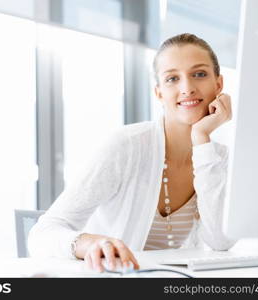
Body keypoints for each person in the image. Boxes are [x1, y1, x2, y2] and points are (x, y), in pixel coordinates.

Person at [28, 33, 236, 272]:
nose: (187, 88)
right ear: (158, 92)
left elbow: (219, 241)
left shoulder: (218, 158)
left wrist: (201, 139)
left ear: (218, 84)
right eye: (172, 79)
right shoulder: (126, 146)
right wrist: (90, 243)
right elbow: (43, 232)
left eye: (199, 74)